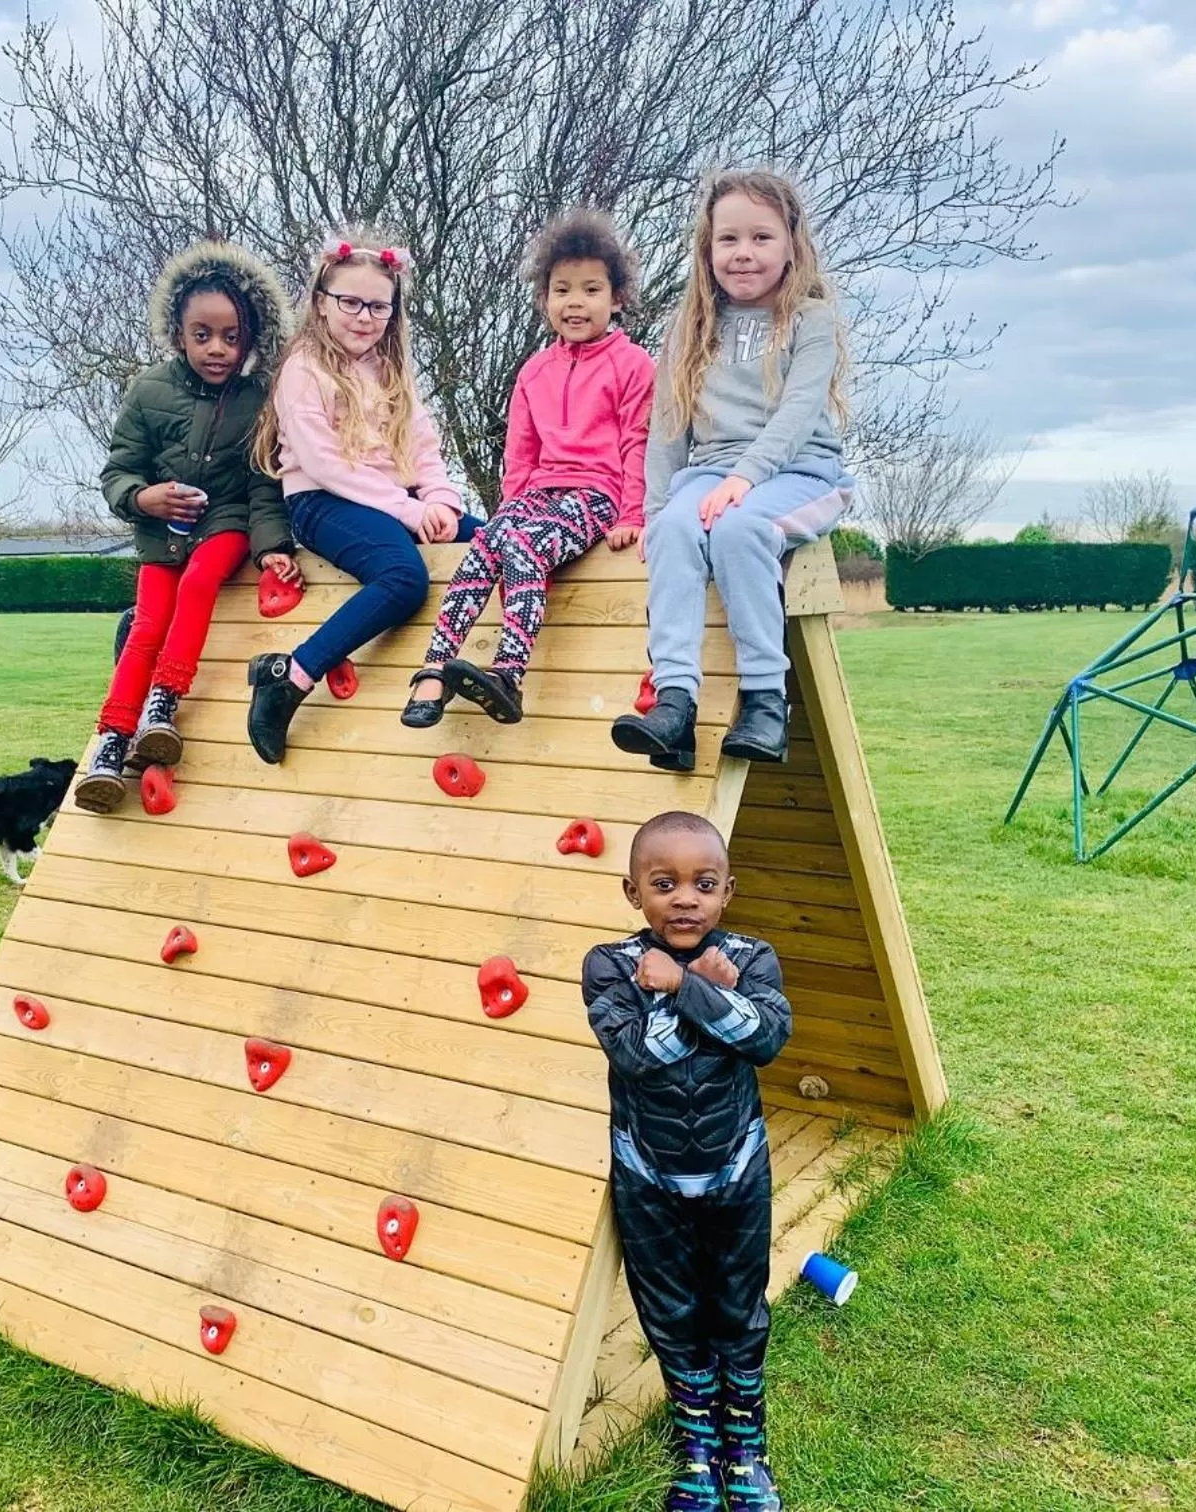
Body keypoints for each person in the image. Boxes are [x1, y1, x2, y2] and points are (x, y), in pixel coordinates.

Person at [580, 811, 793, 1512]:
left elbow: (763, 1039)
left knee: (737, 1308)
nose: (685, 899)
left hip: (737, 1168)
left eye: (703, 883)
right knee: (670, 1312)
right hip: (649, 1174)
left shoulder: (753, 956)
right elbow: (638, 1056)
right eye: (663, 883)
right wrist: (700, 989)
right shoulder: (609, 964)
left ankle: (745, 1446)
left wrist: (681, 986)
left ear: (728, 889)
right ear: (631, 890)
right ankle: (697, 1444)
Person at [610, 171, 856, 772]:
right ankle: (674, 704)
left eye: (761, 238)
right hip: (711, 476)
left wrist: (745, 479)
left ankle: (766, 702)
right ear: (708, 248)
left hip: (799, 473)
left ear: (791, 244)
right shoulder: (691, 326)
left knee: (740, 529)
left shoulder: (810, 320)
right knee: (672, 528)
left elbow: (798, 413)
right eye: (728, 239)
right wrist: (651, 515)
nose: (743, 252)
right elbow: (668, 425)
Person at [400, 210, 655, 727]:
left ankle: (508, 675)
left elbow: (638, 443)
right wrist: (507, 514)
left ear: (617, 297)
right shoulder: (534, 371)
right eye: (562, 290)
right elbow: (519, 455)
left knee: (521, 545)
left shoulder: (633, 364)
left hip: (597, 497)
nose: (575, 303)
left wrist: (634, 514)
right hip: (538, 497)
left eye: (590, 290)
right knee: (486, 544)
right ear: (545, 298)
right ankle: (432, 671)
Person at [77, 242, 298, 813]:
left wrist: (271, 545)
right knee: (147, 623)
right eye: (203, 335)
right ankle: (111, 741)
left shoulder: (259, 398)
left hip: (225, 523)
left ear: (250, 338)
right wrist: (143, 498)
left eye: (231, 336)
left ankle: (164, 701)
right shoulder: (149, 390)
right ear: (179, 333)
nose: (218, 349)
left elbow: (263, 482)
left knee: (200, 584)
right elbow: (118, 472)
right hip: (162, 536)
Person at [244, 234, 477, 763]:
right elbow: (328, 465)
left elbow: (423, 447)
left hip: (394, 499)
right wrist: (412, 510)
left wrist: (440, 500)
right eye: (350, 301)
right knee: (403, 578)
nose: (364, 316)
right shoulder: (304, 370)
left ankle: (495, 667)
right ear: (321, 302)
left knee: (497, 541)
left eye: (378, 306)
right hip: (323, 501)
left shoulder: (393, 371)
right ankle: (290, 676)